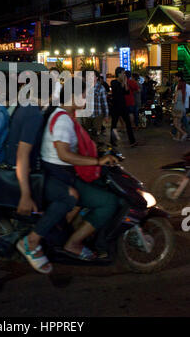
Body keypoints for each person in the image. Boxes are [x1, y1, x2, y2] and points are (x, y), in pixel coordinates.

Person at [38, 78, 119, 263]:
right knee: (109, 202)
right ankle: (73, 243)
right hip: (61, 176)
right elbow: (65, 154)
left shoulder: (66, 115)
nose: (86, 99)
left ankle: (77, 229)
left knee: (100, 187)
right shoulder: (63, 120)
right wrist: (98, 161)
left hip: (65, 173)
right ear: (73, 96)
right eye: (84, 95)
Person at [110, 67, 137, 147]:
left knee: (128, 124)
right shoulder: (113, 82)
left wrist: (125, 83)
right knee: (114, 125)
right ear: (118, 74)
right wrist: (123, 82)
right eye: (123, 73)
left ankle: (132, 141)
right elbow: (118, 91)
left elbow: (126, 92)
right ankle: (112, 141)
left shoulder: (123, 82)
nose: (124, 75)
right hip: (115, 107)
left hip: (123, 106)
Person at [80, 70, 109, 142]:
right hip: (86, 115)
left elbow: (104, 103)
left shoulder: (101, 88)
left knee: (95, 134)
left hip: (97, 114)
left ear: (96, 77)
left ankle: (95, 148)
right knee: (86, 133)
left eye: (92, 76)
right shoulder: (84, 87)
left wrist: (106, 116)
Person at [172, 72, 187, 142]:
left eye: (175, 77)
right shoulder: (184, 91)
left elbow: (175, 101)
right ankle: (178, 138)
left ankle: (184, 133)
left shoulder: (177, 91)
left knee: (175, 124)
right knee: (179, 123)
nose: (174, 78)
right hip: (182, 107)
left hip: (177, 107)